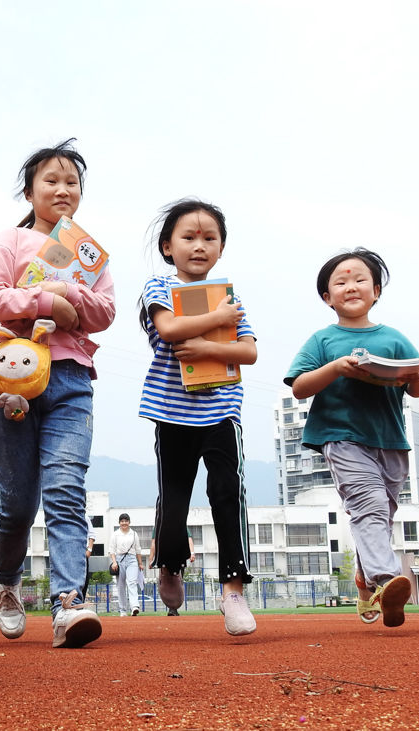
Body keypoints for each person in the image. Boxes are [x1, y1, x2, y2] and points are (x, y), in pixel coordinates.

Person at [0, 139, 116, 649]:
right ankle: (9, 584)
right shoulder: (9, 244)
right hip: (14, 377)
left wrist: (72, 295)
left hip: (73, 380)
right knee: (18, 503)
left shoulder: (87, 251)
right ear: (30, 190)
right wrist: (45, 297)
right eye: (51, 181)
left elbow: (104, 312)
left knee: (64, 490)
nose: (62, 189)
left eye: (71, 182)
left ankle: (67, 604)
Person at [283, 247, 419, 628]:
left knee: (381, 515)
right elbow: (300, 387)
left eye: (360, 279)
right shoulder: (322, 340)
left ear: (376, 290)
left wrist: (416, 378)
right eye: (341, 281)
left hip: (390, 440)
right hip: (341, 437)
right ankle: (386, 582)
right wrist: (335, 368)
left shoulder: (394, 338)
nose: (351, 286)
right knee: (369, 506)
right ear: (327, 297)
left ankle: (366, 578)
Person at [138, 199, 259, 636]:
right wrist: (216, 320)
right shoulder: (158, 287)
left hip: (222, 410)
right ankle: (169, 562)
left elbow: (249, 352)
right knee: (175, 498)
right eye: (188, 237)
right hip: (171, 411)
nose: (199, 245)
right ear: (168, 247)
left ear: (221, 249)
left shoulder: (230, 298)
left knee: (227, 492)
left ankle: (233, 589)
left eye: (210, 238)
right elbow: (169, 330)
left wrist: (211, 345)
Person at [149, 531, 194, 615]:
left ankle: (173, 608)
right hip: (165, 558)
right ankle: (172, 608)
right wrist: (151, 559)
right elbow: (154, 543)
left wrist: (192, 553)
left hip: (179, 558)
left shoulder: (180, 522)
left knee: (178, 582)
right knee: (168, 582)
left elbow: (189, 538)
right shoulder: (159, 524)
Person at [109, 514, 145, 616]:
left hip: (132, 559)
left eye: (126, 521)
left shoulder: (134, 534)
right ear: (119, 523)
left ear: (129, 522)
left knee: (132, 582)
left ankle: (134, 607)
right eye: (122, 521)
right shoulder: (115, 534)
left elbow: (138, 550)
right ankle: (123, 610)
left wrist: (140, 563)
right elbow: (111, 550)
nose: (124, 523)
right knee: (120, 586)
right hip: (119, 560)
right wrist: (114, 562)